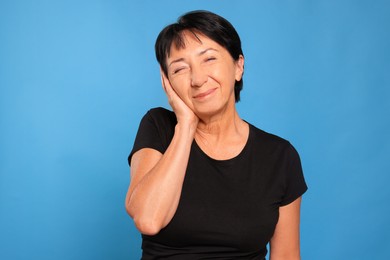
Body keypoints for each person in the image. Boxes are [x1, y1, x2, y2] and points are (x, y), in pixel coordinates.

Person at [125, 10, 307, 260]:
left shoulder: (279, 156)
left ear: (238, 66)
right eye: (179, 69)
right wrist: (186, 125)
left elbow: (286, 255)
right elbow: (148, 219)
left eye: (209, 59)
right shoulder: (159, 126)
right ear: (167, 82)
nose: (198, 79)